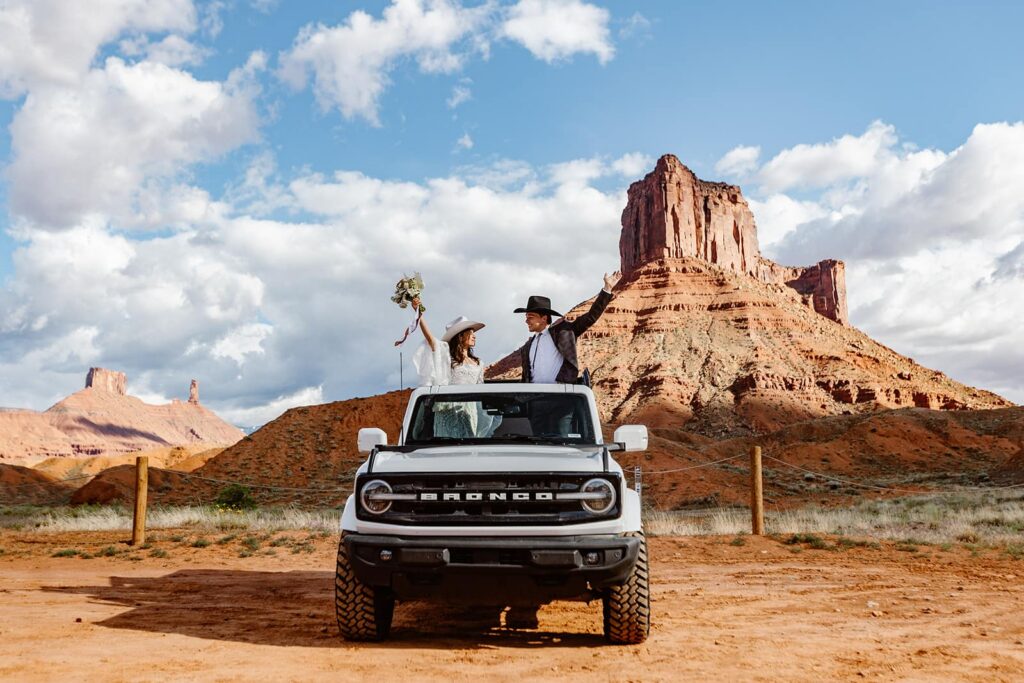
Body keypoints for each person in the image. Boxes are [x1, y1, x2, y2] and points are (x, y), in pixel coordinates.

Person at [409, 297, 498, 438]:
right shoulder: (447, 358)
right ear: (460, 336)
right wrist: (418, 313)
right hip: (448, 409)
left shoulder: (478, 362)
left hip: (470, 411)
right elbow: (431, 341)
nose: (475, 336)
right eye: (471, 333)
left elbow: (481, 389)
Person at [514, 271, 621, 384]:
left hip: (559, 396)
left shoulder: (563, 332)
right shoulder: (528, 346)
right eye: (526, 316)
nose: (526, 321)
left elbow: (591, 317)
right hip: (533, 398)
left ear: (544, 318)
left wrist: (607, 288)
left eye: (530, 317)